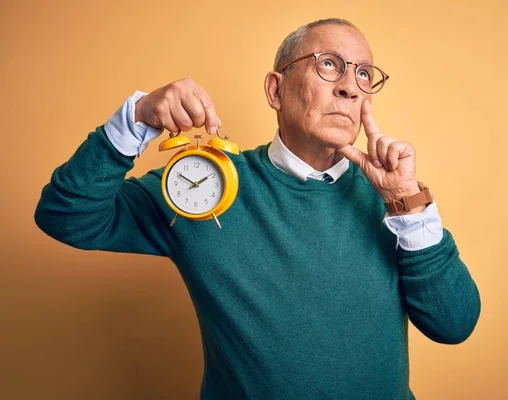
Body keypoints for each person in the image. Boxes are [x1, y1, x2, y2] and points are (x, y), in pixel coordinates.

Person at [35, 18, 480, 400]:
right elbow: (66, 215)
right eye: (329, 64)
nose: (349, 85)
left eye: (364, 74)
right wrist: (136, 120)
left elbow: (454, 324)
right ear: (276, 89)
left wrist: (407, 207)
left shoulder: (395, 201)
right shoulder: (204, 186)